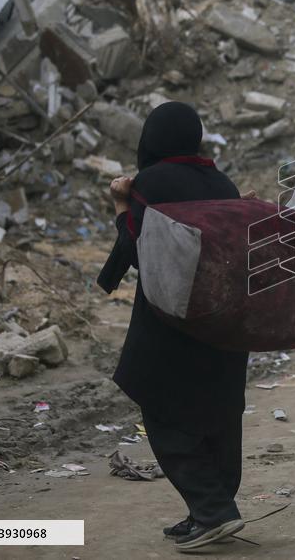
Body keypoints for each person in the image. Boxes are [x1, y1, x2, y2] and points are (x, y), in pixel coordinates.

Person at [97, 102, 248, 551]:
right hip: (225, 322)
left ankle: (213, 510)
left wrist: (123, 203)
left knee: (161, 408)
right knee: (220, 414)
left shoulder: (151, 184)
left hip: (171, 320)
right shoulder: (224, 182)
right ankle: (211, 509)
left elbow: (136, 246)